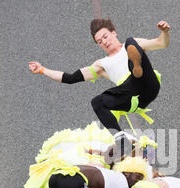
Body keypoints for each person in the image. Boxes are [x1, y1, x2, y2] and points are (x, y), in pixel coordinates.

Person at [28, 19, 170, 156]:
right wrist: (42, 70)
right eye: (100, 42)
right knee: (97, 102)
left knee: (131, 42)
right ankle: (123, 143)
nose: (104, 42)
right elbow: (69, 78)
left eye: (105, 37)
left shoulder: (132, 44)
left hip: (148, 83)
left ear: (114, 33)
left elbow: (161, 43)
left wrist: (165, 32)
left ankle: (136, 67)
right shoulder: (101, 65)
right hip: (133, 98)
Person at [16, 121, 161, 188]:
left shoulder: (136, 169)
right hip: (97, 162)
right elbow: (109, 153)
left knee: (84, 179)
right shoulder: (128, 152)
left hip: (105, 168)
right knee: (75, 170)